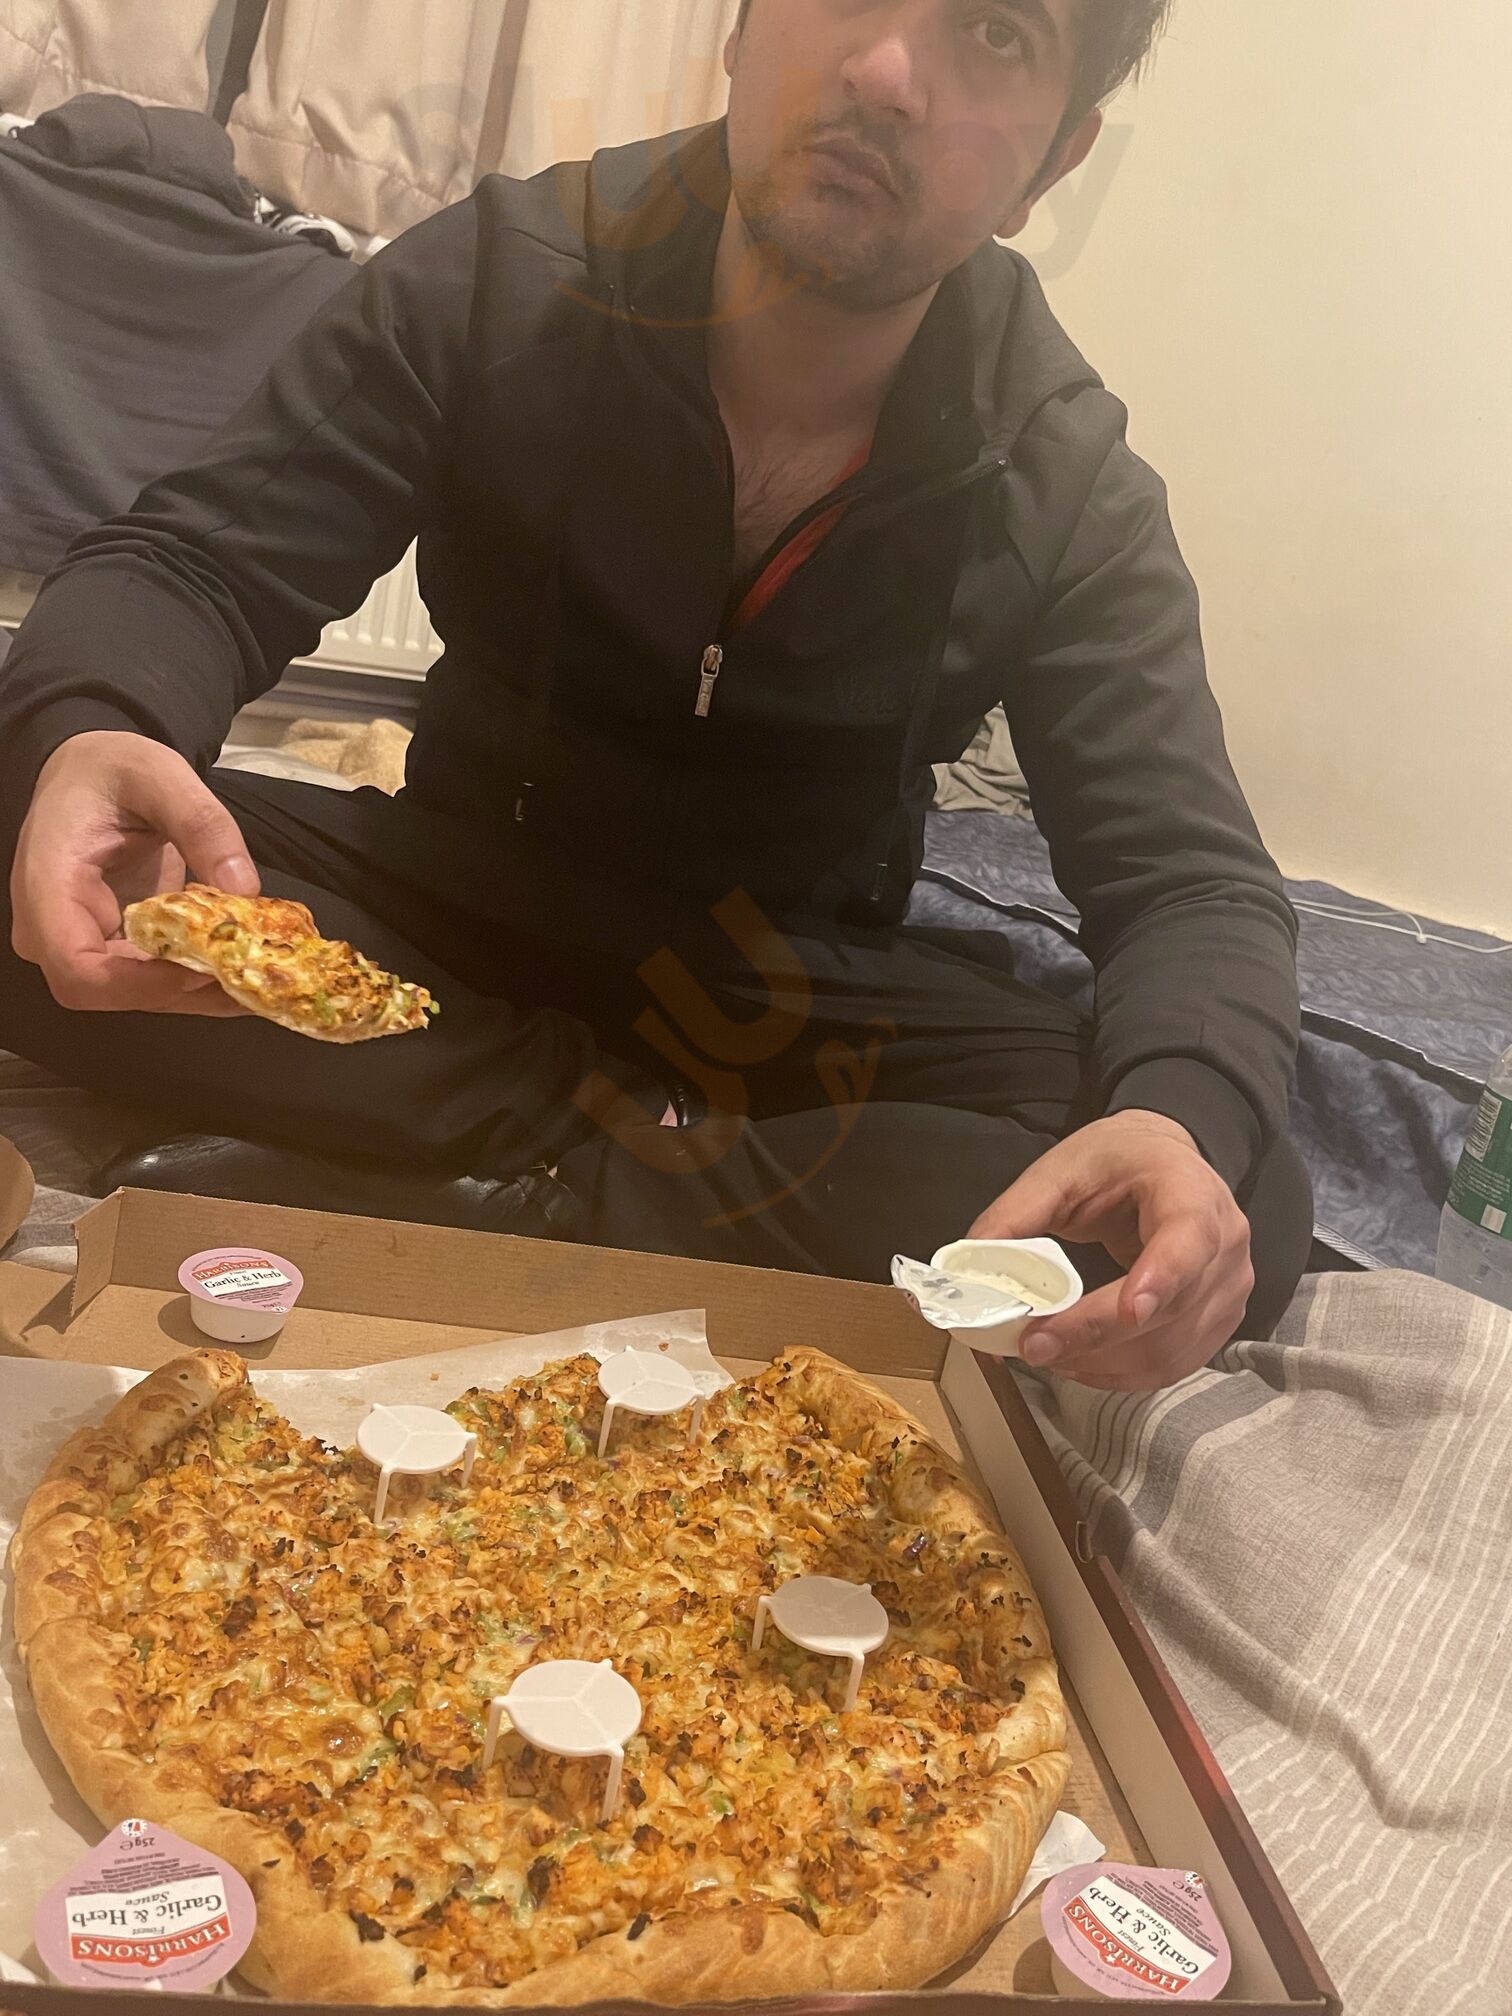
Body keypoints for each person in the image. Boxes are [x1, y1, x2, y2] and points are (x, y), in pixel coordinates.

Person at [0, 0, 1313, 1393]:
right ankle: (624, 1187)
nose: (884, 73)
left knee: (1216, 1188)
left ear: (1055, 160)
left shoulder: (1062, 470)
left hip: (779, 1000)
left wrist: (1179, 1120)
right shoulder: (503, 276)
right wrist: (94, 725)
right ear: (740, 27)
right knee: (32, 807)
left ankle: (487, 1184)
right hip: (457, 912)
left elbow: (1190, 882)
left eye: (994, 32)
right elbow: (196, 563)